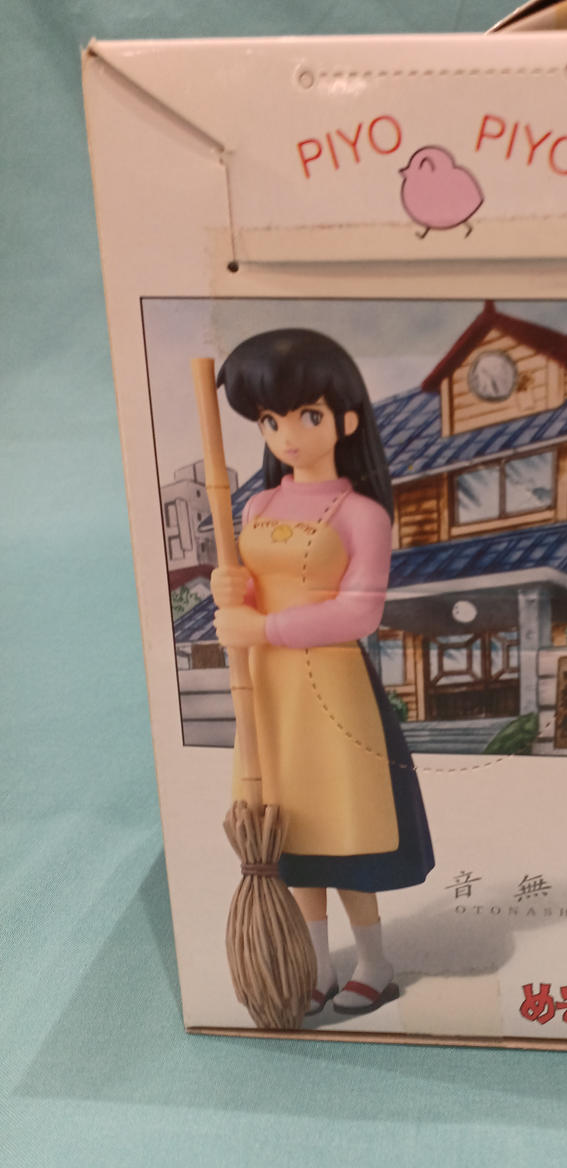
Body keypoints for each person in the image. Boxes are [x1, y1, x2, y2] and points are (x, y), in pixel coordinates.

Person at [210, 327, 434, 1018]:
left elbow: (361, 612)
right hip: (268, 691)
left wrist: (264, 628)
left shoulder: (363, 516)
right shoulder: (257, 506)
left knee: (343, 826)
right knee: (291, 832)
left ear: (346, 420)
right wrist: (231, 592)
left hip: (330, 688)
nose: (287, 435)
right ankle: (315, 964)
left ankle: (375, 962)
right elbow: (251, 590)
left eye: (307, 416)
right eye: (270, 420)